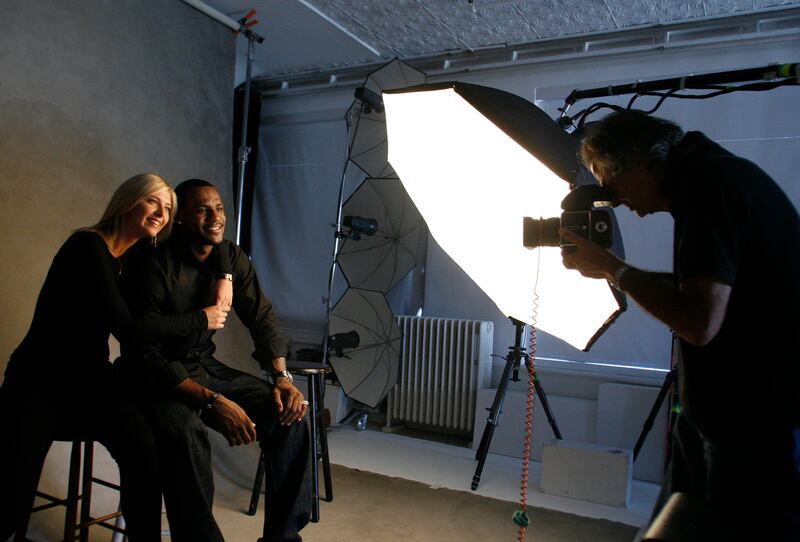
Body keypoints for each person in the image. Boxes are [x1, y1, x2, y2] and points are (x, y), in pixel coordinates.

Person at [560, 110, 800, 539]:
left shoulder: (708, 188)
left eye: (610, 184)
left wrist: (616, 270)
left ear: (637, 162)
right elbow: (710, 291)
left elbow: (699, 321)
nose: (613, 200)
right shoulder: (711, 175)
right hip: (724, 412)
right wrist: (613, 270)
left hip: (751, 423)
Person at [0, 173, 231, 541]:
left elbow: (211, 241)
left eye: (168, 208)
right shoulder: (87, 247)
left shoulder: (134, 256)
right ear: (128, 201)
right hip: (39, 383)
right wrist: (200, 318)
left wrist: (226, 273)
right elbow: (128, 329)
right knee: (11, 500)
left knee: (143, 449)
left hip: (90, 381)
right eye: (153, 201)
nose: (161, 212)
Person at [118, 179, 311, 542]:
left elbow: (262, 317)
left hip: (205, 366)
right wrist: (210, 400)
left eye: (219, 208)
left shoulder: (230, 258)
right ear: (179, 218)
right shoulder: (152, 262)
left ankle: (283, 538)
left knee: (291, 419)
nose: (214, 217)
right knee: (183, 432)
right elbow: (143, 352)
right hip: (158, 376)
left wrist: (282, 378)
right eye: (202, 209)